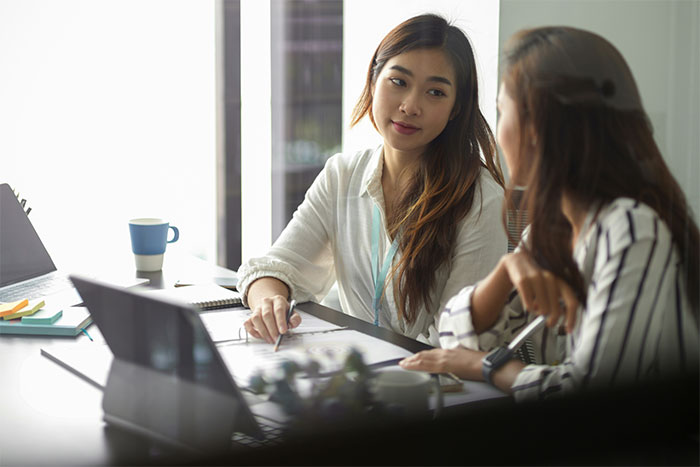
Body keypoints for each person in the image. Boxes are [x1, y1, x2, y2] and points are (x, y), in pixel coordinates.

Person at [399, 26, 700, 400]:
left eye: (501, 110)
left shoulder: (632, 227)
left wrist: (491, 367)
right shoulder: (552, 230)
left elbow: (594, 400)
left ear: (537, 128)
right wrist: (506, 272)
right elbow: (453, 337)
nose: (498, 130)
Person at [237, 14, 506, 346]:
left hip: (437, 389)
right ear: (373, 80)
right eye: (399, 82)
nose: (410, 106)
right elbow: (278, 268)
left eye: (435, 92)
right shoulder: (343, 176)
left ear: (455, 108)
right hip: (357, 377)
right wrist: (269, 303)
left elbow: (456, 343)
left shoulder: (480, 200)